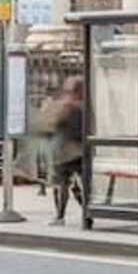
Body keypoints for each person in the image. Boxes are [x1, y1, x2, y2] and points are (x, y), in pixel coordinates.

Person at [34, 76, 86, 225]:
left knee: (62, 184)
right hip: (80, 151)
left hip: (66, 152)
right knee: (79, 184)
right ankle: (86, 213)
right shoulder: (84, 106)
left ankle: (60, 216)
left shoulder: (65, 106)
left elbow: (47, 125)